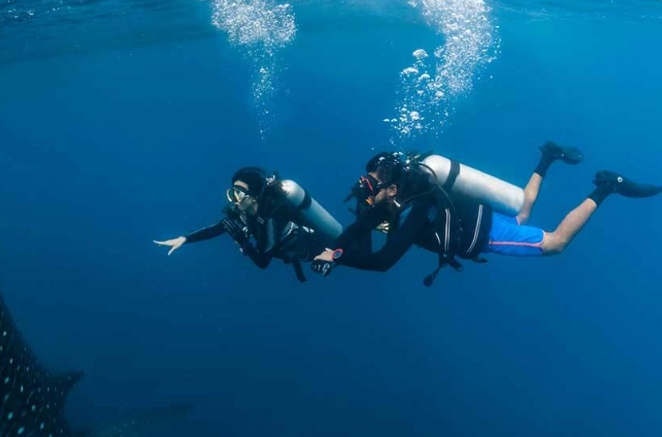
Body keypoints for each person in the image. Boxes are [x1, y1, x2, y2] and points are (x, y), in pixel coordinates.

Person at [311, 142, 662, 285]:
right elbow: (361, 227)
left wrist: (338, 259)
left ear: (391, 188)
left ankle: (607, 187)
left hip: (483, 234)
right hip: (479, 218)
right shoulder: (409, 194)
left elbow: (383, 261)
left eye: (373, 190)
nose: (369, 200)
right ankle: (548, 156)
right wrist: (333, 250)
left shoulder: (416, 207)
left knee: (556, 243)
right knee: (523, 212)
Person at [154, 167, 326, 282]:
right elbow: (217, 228)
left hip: (315, 250)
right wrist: (184, 239)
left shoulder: (272, 218)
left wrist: (244, 242)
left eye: (238, 193)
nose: (234, 200)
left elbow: (263, 262)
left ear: (254, 196)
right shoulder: (245, 213)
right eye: (232, 193)